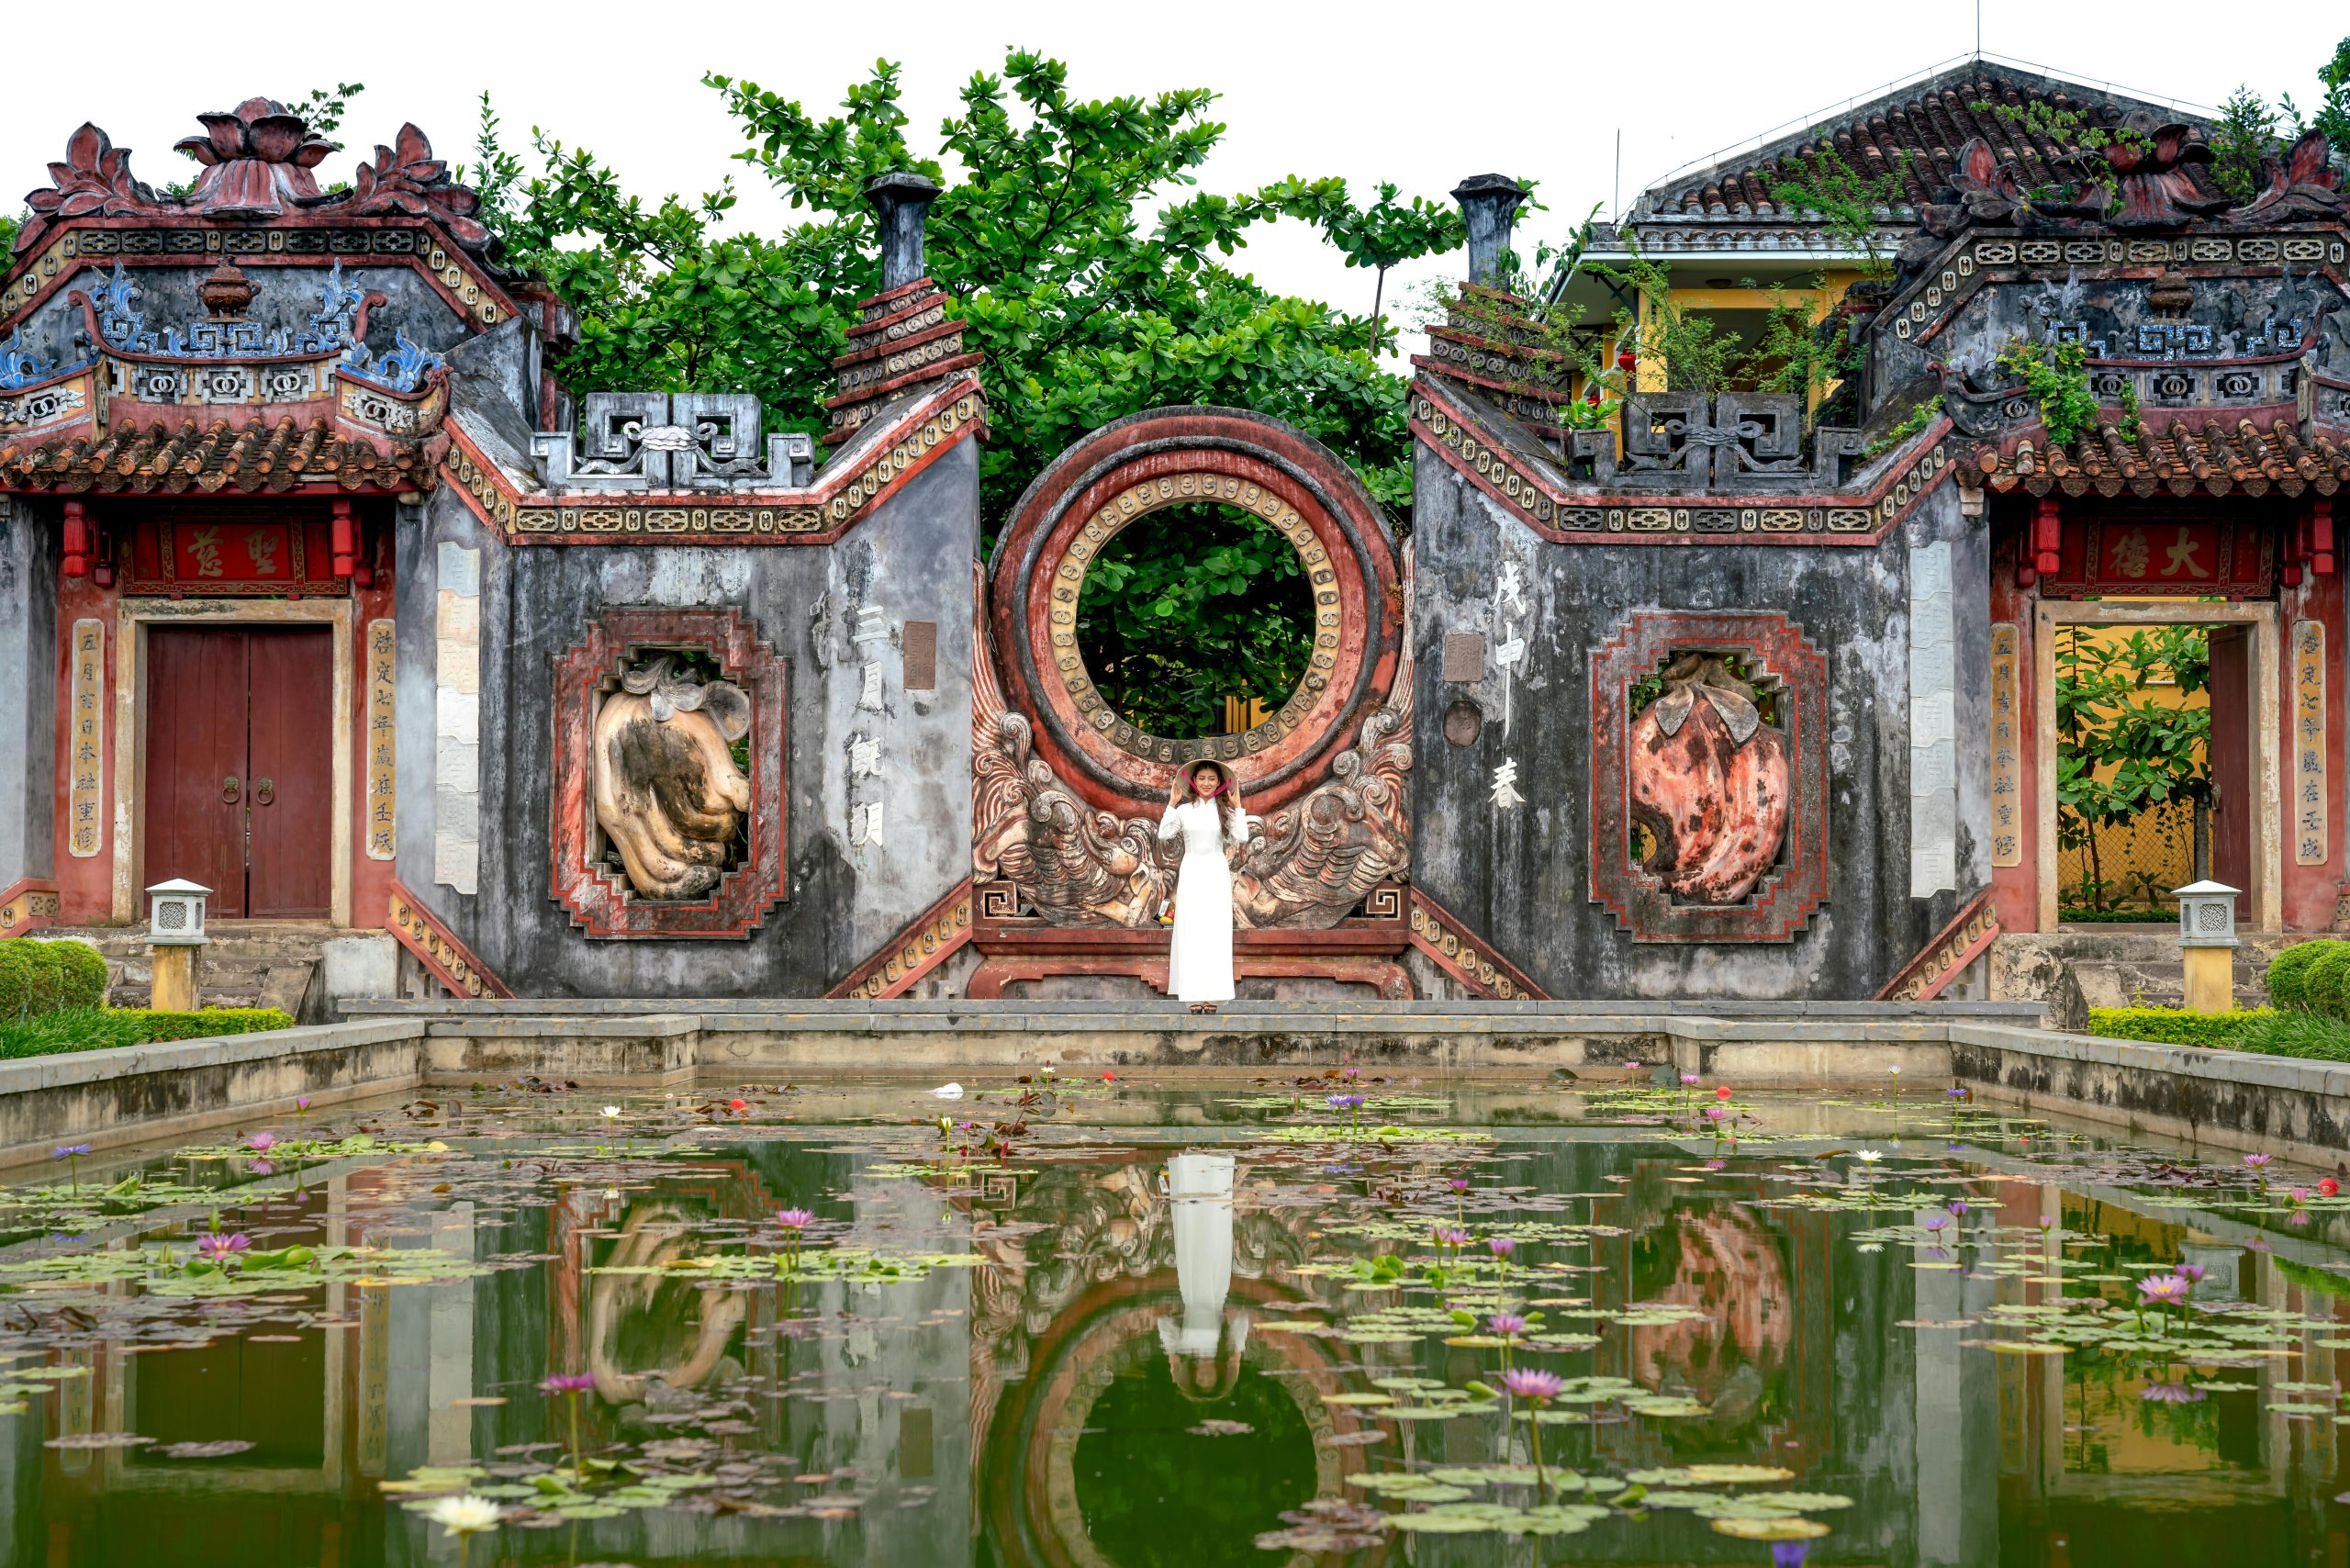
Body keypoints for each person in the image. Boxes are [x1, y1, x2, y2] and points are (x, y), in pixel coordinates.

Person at [1158, 758, 1251, 1013]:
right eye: (1202, 779)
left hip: (1215, 874)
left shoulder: (1226, 812)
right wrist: (1171, 804)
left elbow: (1242, 836)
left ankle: (1214, 996)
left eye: (1212, 779)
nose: (1207, 783)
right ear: (1193, 781)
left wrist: (1238, 806)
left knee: (1215, 933)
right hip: (1191, 873)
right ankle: (1193, 996)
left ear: (1220, 783)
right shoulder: (1184, 811)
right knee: (1191, 933)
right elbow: (1163, 834)